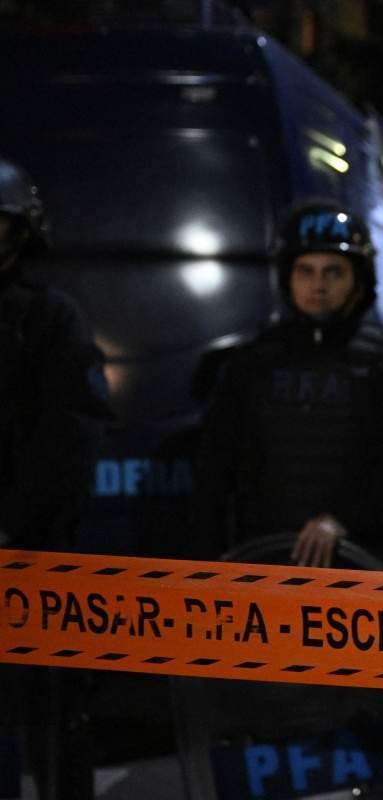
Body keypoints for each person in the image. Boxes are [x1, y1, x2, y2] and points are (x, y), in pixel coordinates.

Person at [193, 200, 383, 567]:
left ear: (358, 280)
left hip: (360, 563)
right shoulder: (252, 364)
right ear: (287, 278)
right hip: (262, 561)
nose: (318, 285)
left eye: (333, 272)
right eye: (305, 271)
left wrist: (343, 520)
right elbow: (213, 469)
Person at [1, 157, 111, 799]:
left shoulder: (50, 319)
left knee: (53, 721)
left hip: (40, 563)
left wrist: (13, 525)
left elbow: (68, 442)